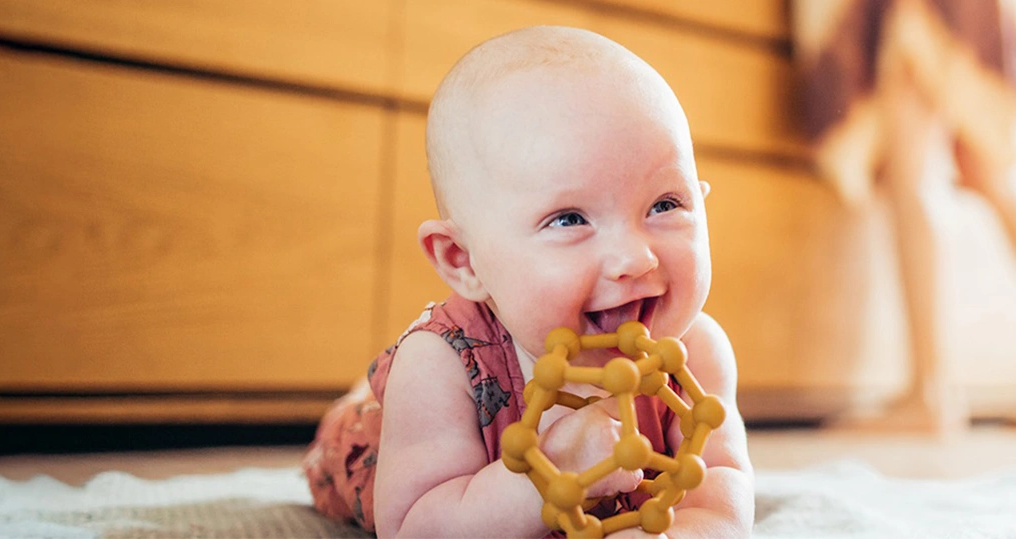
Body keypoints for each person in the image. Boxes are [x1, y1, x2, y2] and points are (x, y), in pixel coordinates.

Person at [302, 26, 751, 537]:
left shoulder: (697, 352)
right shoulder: (440, 365)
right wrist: (549, 470)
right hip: (381, 448)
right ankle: (360, 399)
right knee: (362, 424)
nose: (634, 258)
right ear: (463, 260)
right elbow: (415, 528)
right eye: (569, 219)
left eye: (665, 205)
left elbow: (720, 481)